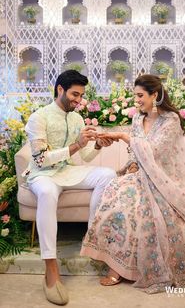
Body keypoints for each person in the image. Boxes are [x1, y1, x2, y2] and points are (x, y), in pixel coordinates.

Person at [80, 74, 185, 294]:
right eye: (135, 95)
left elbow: (155, 151)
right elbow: (137, 152)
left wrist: (124, 138)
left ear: (155, 95)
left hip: (166, 178)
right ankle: (118, 265)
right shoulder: (136, 119)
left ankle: (125, 270)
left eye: (140, 95)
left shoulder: (170, 120)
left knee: (143, 211)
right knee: (116, 195)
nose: (137, 100)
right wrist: (132, 164)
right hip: (141, 174)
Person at [24, 70, 116, 305]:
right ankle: (50, 267)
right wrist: (76, 145)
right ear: (60, 89)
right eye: (75, 94)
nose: (78, 100)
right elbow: (41, 160)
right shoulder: (39, 117)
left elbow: (84, 157)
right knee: (46, 192)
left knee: (107, 174)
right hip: (42, 175)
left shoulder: (76, 118)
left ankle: (92, 236)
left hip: (67, 171)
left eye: (81, 95)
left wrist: (97, 146)